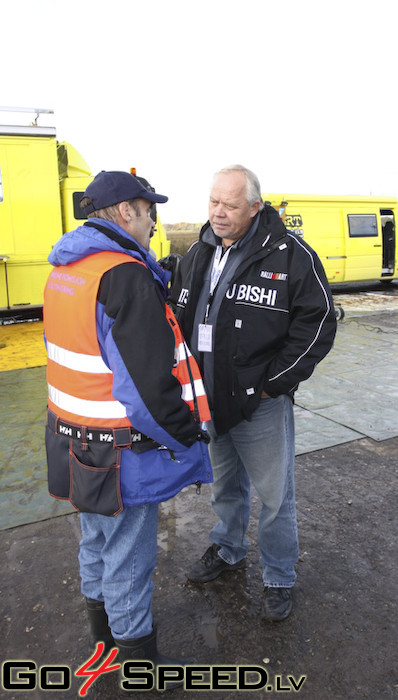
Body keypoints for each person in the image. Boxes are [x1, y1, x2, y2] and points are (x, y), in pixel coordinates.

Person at [43, 170, 212, 686]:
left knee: (94, 541)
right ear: (124, 213)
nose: (153, 221)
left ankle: (104, 641)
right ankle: (139, 665)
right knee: (130, 560)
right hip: (120, 453)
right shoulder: (124, 275)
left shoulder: (67, 266)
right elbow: (144, 391)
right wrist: (187, 434)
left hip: (72, 437)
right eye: (148, 210)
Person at [170, 165, 336, 621]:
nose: (218, 214)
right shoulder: (199, 251)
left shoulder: (288, 255)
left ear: (255, 208)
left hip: (259, 403)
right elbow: (178, 312)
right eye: (213, 202)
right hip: (210, 397)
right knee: (225, 485)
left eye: (230, 205)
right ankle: (228, 549)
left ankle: (279, 575)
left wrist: (273, 384)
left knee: (275, 495)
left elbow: (318, 321)